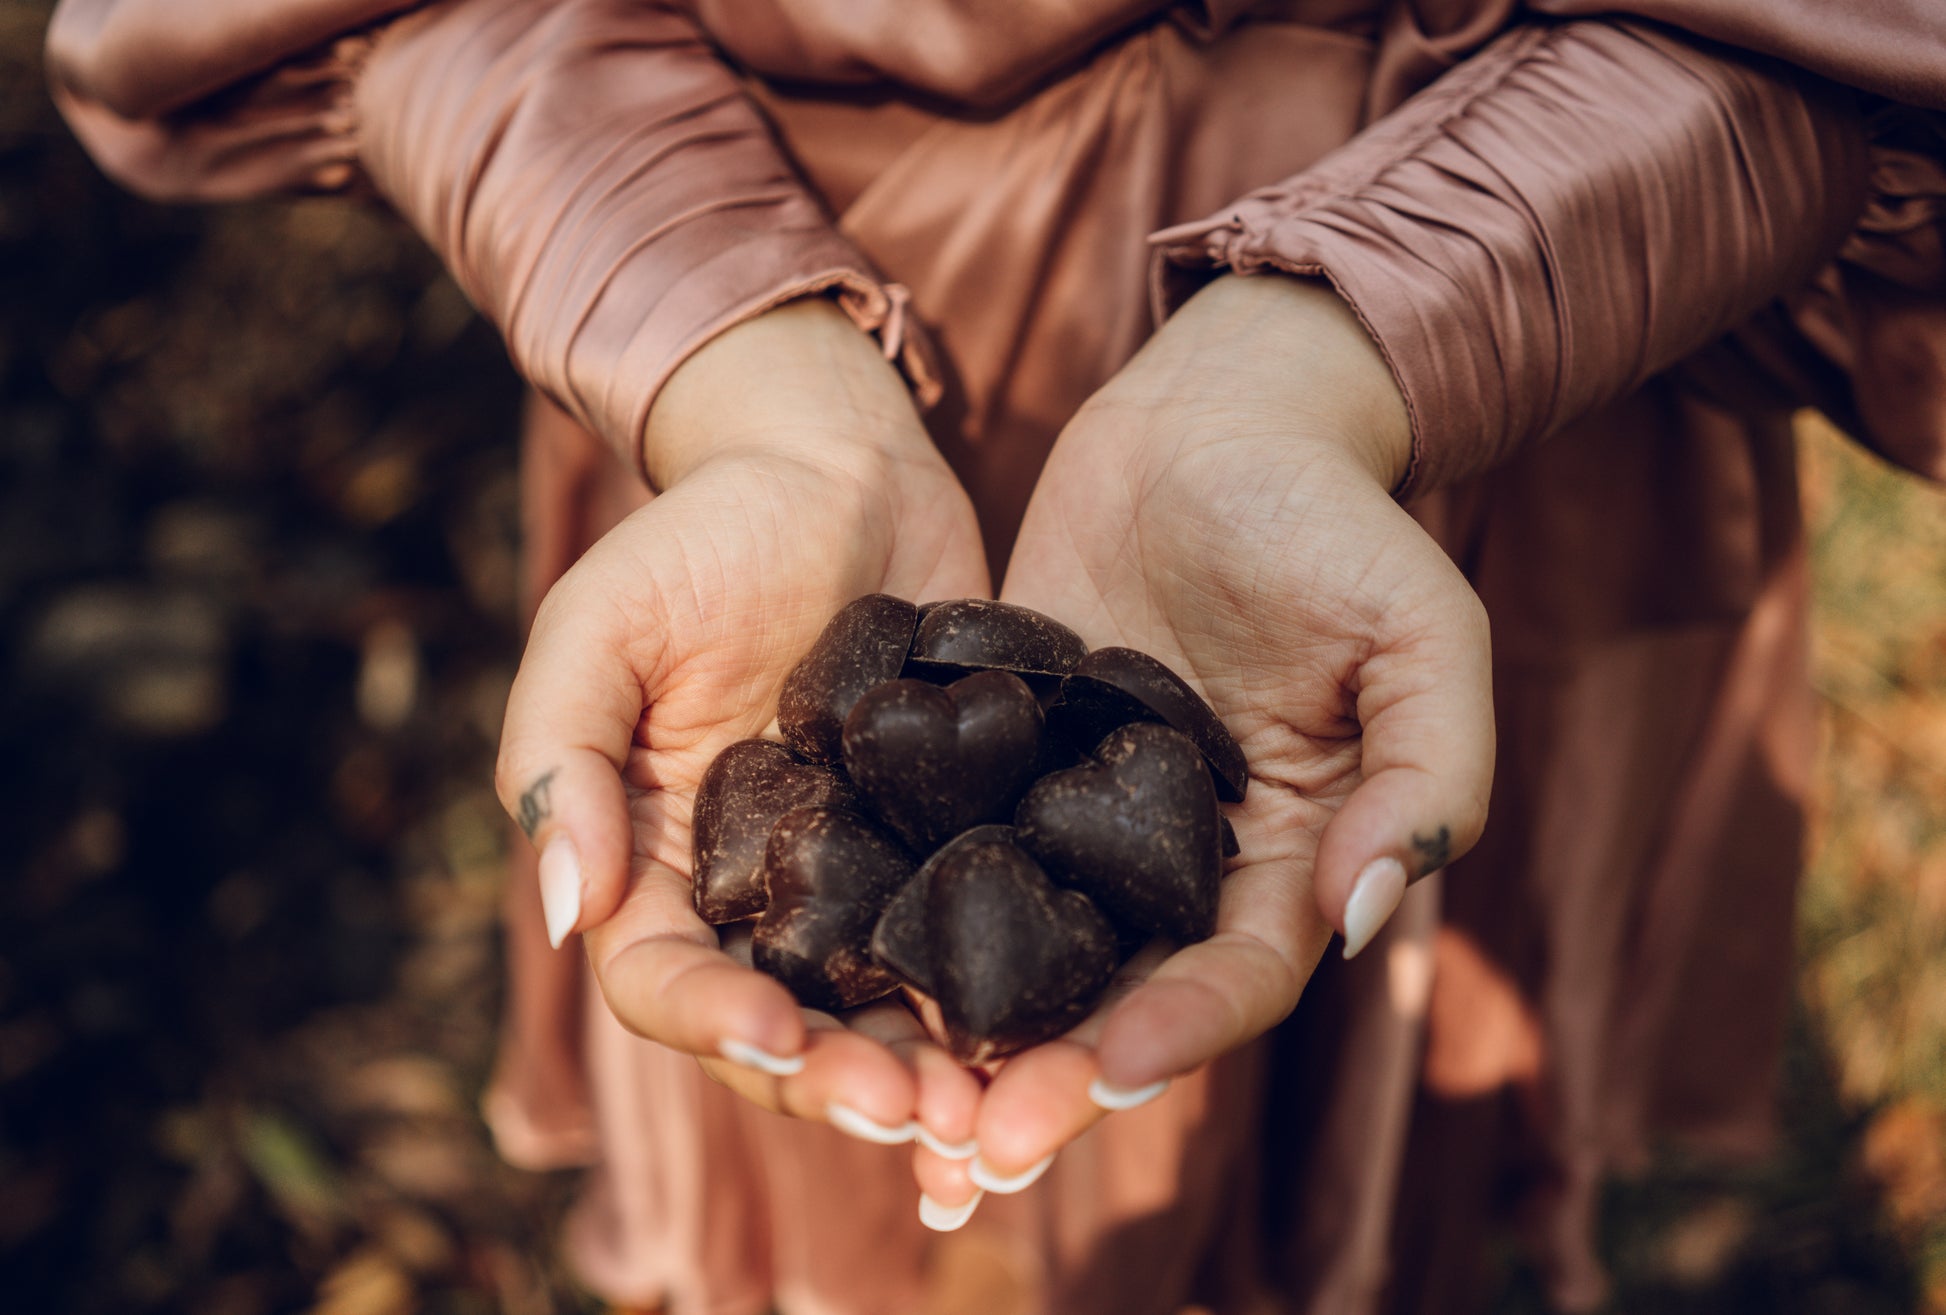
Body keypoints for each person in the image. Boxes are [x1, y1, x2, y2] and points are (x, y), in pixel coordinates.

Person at [45, 1, 1946, 1310]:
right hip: (768, 302)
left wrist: (1364, 341)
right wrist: (723, 356)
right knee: (882, 1165)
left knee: (1332, 1110)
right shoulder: (866, 721)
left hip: (1502, 372)